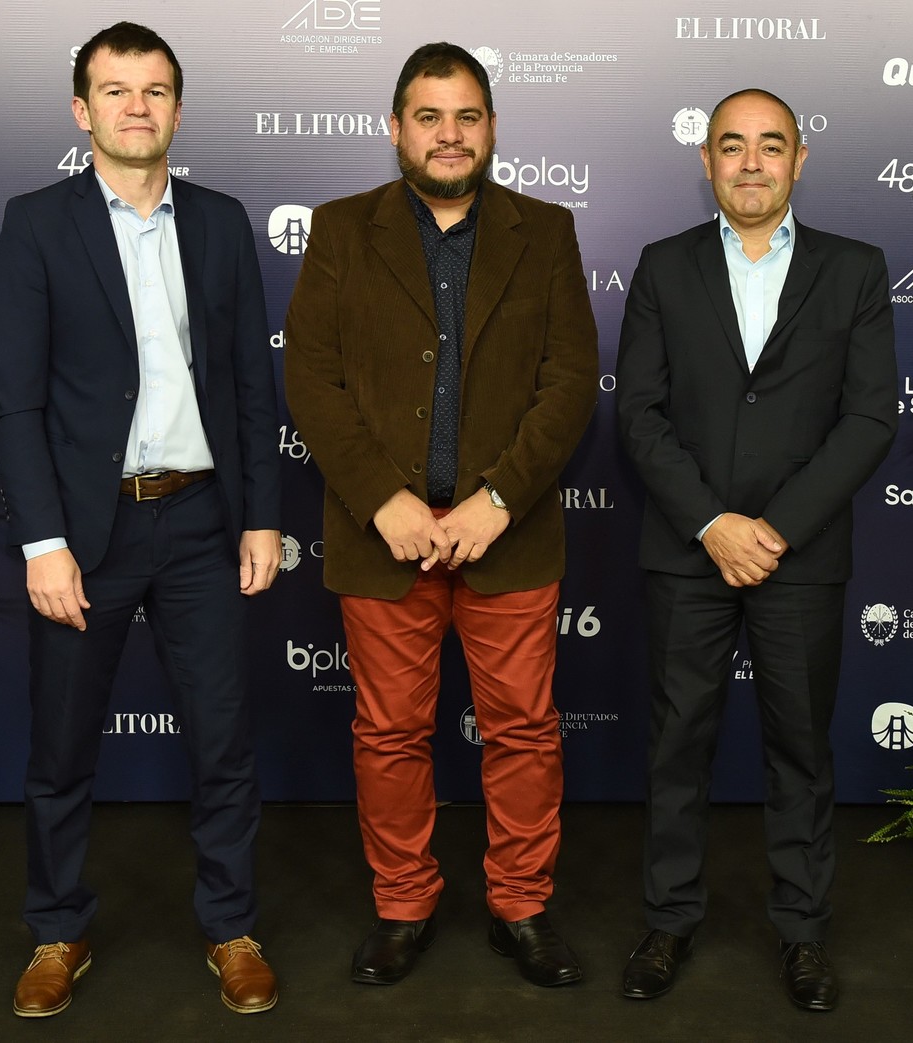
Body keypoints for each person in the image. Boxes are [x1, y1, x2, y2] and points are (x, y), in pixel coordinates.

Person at [0, 21, 283, 1019]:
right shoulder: (36, 223)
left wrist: (259, 519)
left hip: (201, 519)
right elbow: (15, 400)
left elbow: (250, 382)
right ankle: (56, 930)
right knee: (61, 747)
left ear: (177, 109)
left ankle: (230, 927)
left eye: (154, 90)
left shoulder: (220, 219)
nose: (136, 106)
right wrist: (41, 542)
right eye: (116, 91)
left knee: (223, 742)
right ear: (82, 110)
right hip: (84, 531)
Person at [283, 42, 597, 989]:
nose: (449, 134)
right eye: (429, 116)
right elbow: (313, 377)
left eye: (466, 116)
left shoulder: (546, 230)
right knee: (386, 734)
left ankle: (521, 906)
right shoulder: (341, 230)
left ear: (491, 127)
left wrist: (497, 498)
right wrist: (384, 498)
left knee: (524, 732)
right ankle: (403, 903)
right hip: (387, 539)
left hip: (508, 532)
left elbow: (570, 380)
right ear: (396, 128)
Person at [614, 88, 898, 1011]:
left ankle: (804, 932)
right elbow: (640, 414)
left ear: (798, 160)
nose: (749, 162)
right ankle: (667, 920)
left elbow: (867, 418)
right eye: (730, 145)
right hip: (687, 550)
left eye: (768, 145)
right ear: (705, 160)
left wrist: (772, 529)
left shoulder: (855, 270)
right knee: (675, 744)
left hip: (798, 557)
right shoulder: (663, 266)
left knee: (801, 749)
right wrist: (713, 524)